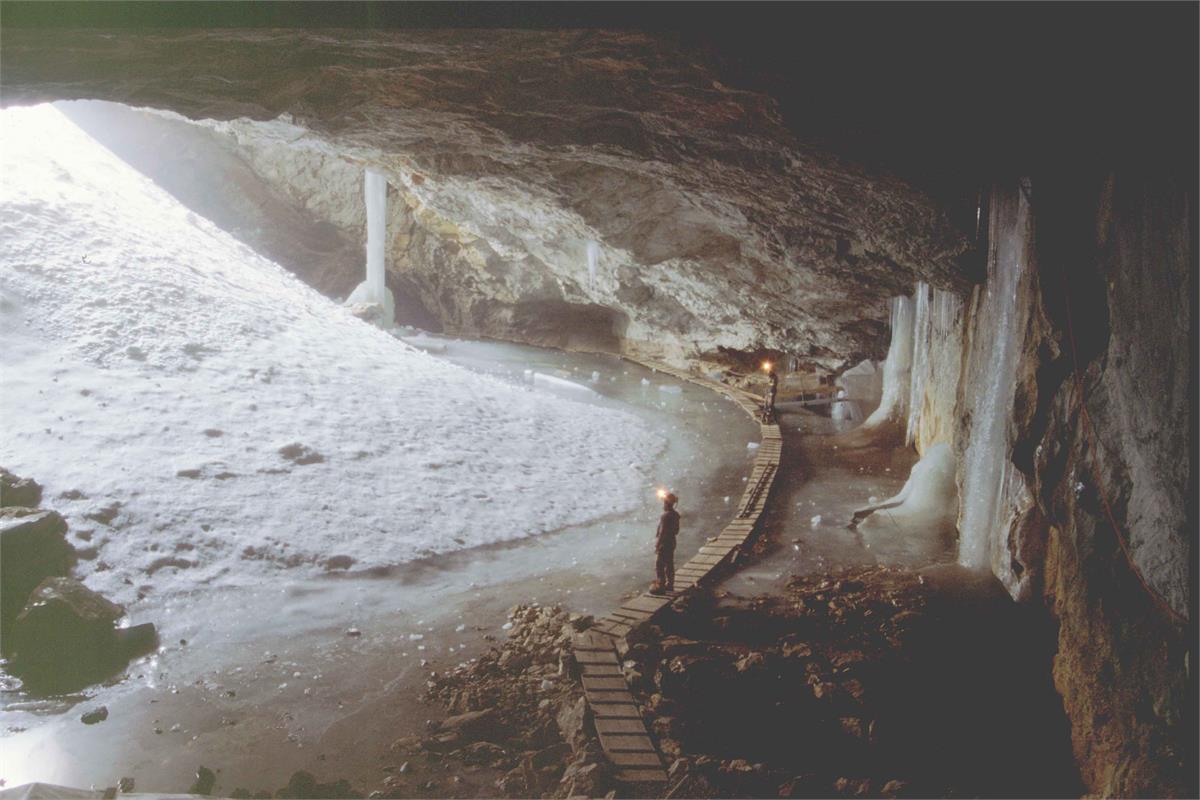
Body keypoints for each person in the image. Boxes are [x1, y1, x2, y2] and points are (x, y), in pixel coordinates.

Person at [652, 492, 679, 594]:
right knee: (669, 563)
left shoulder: (665, 516)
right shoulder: (676, 515)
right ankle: (670, 584)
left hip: (665, 543)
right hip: (672, 542)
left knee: (659, 564)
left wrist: (657, 545)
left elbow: (662, 532)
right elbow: (676, 531)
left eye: (664, 503)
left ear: (667, 504)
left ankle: (661, 584)